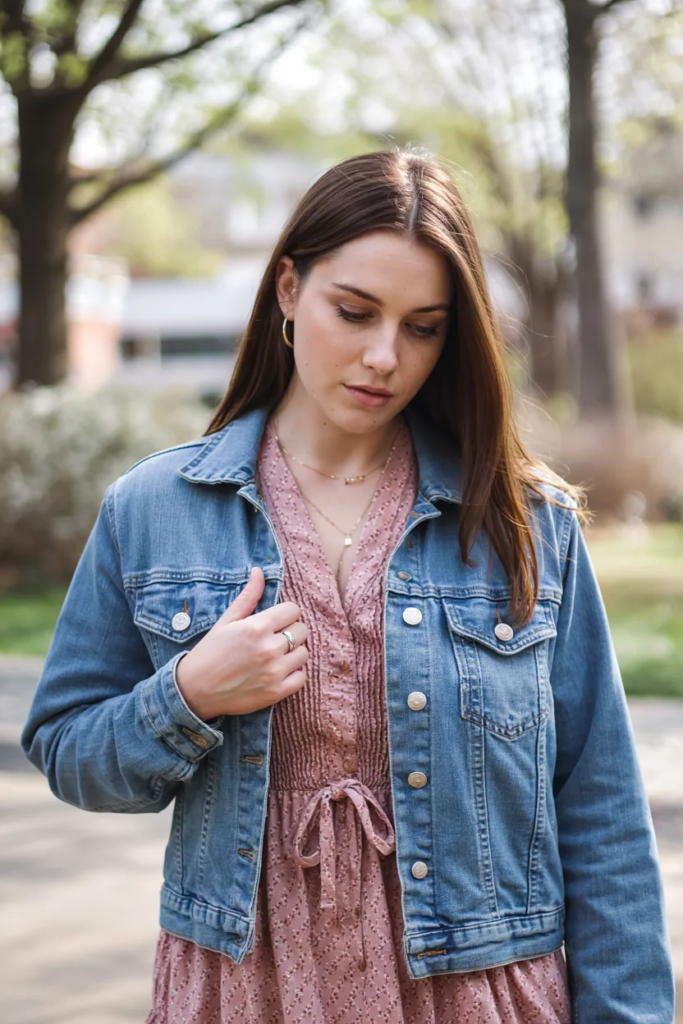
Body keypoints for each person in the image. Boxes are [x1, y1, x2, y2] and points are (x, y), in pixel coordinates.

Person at [22, 148, 674, 1024]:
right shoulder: (153, 509)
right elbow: (68, 747)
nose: (382, 356)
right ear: (288, 289)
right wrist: (186, 696)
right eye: (354, 311)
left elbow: (600, 814)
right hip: (247, 990)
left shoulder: (523, 524)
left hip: (478, 992)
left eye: (422, 327)